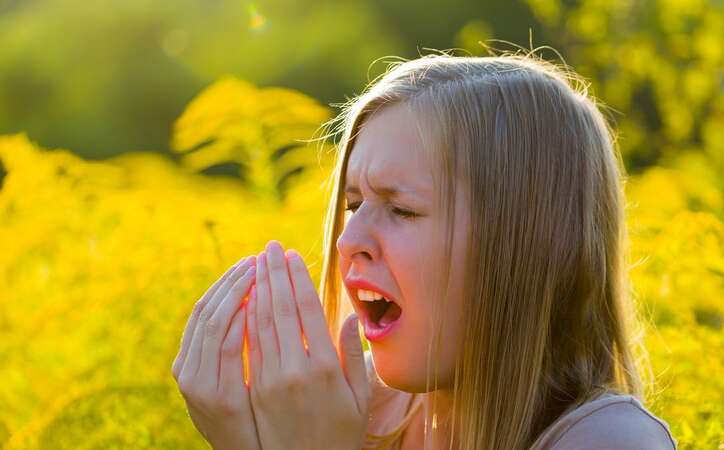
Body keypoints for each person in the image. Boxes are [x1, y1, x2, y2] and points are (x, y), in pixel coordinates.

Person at [172, 50, 678, 450]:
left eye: (402, 210)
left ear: (524, 246)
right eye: (353, 204)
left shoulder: (609, 440)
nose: (348, 242)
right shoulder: (350, 411)